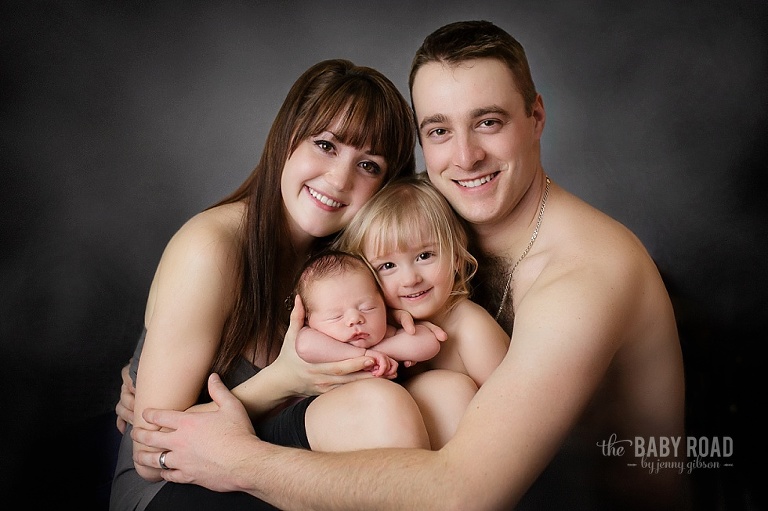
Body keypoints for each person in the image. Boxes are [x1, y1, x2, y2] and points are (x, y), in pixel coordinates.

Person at [128, 20, 689, 510]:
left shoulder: (586, 274)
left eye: (489, 122)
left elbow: (467, 493)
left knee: (440, 398)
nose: (465, 156)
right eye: (439, 130)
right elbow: (159, 431)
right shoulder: (425, 223)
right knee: (424, 400)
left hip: (573, 498)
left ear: (536, 116)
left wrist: (241, 458)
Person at [110, 58, 434, 511]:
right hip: (175, 484)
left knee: (417, 404)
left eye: (368, 165)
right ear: (287, 140)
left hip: (271, 460)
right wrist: (284, 380)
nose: (339, 179)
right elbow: (154, 451)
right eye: (325, 145)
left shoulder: (352, 264)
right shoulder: (211, 247)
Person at [334, 175, 510, 447]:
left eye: (424, 256)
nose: (410, 279)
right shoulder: (373, 325)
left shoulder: (472, 330)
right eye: (387, 266)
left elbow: (512, 419)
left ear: (455, 254)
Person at [292, 248, 442, 379]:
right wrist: (363, 356)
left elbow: (429, 343)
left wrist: (376, 352)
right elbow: (304, 346)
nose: (355, 319)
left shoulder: (387, 335)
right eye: (336, 316)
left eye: (367, 308)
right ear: (308, 321)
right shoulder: (318, 340)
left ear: (384, 305)